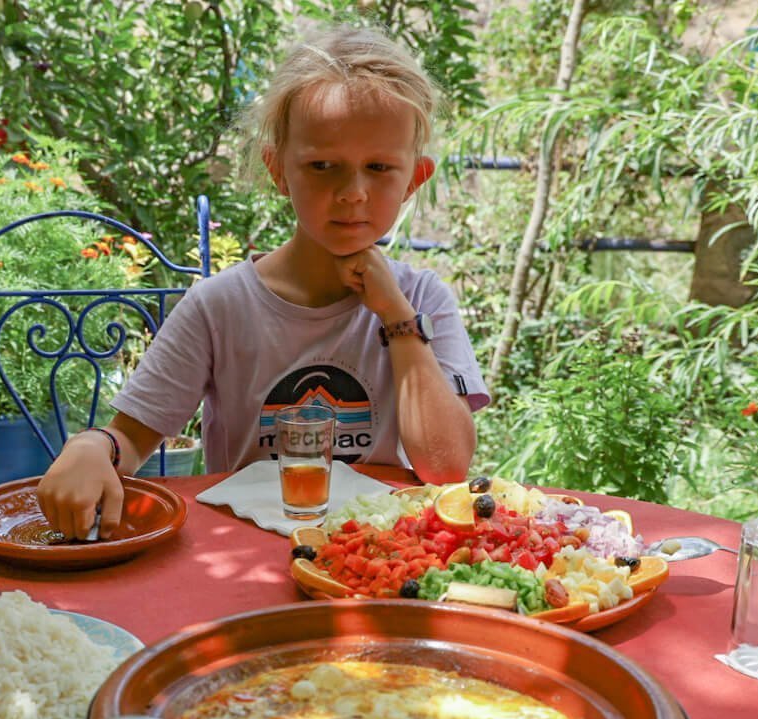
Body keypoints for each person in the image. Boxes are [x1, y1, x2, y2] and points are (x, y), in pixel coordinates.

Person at [38, 23, 490, 540]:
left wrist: (397, 319)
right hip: (244, 557)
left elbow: (447, 467)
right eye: (322, 165)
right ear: (278, 170)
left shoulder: (421, 300)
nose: (353, 192)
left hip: (371, 563)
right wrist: (91, 448)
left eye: (379, 167)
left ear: (414, 178)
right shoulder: (219, 306)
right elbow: (130, 439)